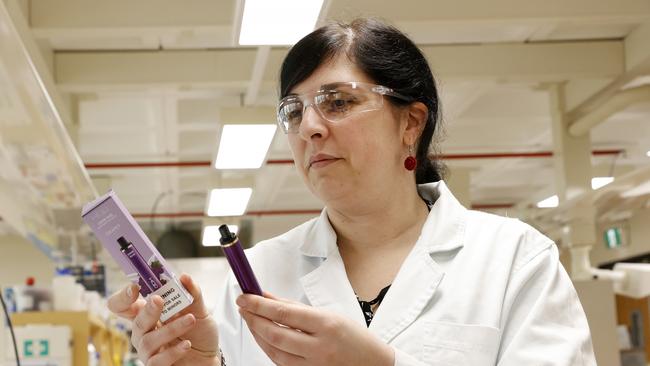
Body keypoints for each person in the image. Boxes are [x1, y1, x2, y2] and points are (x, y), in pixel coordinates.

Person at [108, 18, 596, 365]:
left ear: (411, 121)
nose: (310, 128)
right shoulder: (258, 273)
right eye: (294, 112)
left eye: (337, 102)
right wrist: (202, 363)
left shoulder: (514, 259)